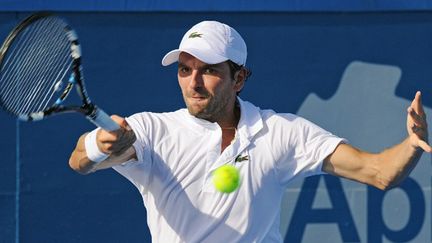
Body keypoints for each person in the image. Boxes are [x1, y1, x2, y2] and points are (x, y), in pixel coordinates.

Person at [68, 20, 431, 242]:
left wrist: (412, 144)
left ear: (238, 78)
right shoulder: (151, 130)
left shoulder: (283, 132)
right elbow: (80, 162)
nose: (193, 82)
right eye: (184, 69)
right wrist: (101, 144)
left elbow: (379, 172)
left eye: (208, 70)